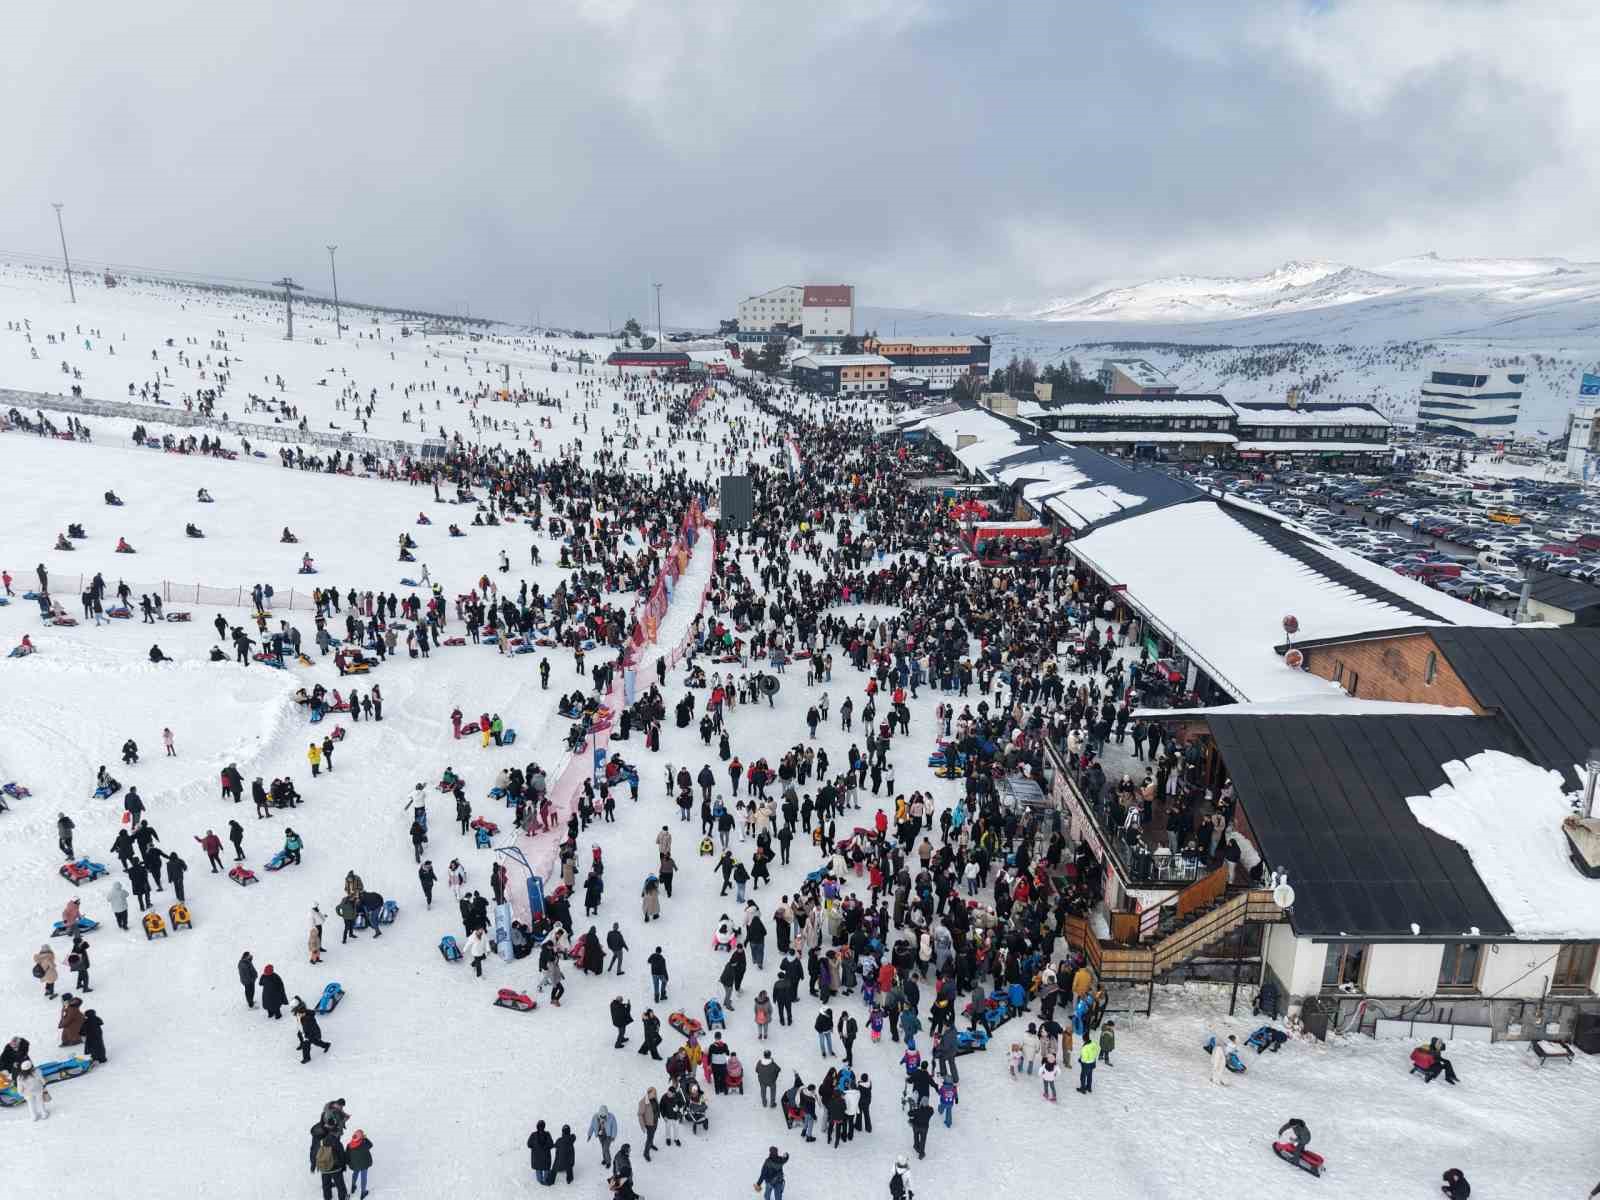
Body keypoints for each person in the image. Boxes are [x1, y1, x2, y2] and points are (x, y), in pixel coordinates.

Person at [314, 1132, 349, 1200]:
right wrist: (343, 1166)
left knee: (326, 1185)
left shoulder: (322, 1142)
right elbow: (342, 1156)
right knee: (340, 1185)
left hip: (324, 1168)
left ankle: (327, 1197)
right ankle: (343, 1197)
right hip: (335, 1168)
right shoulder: (338, 1143)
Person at [346, 1130, 374, 1198]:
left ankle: (353, 1186)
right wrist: (365, 1138)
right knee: (363, 1177)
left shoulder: (349, 1145)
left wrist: (350, 1163)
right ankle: (363, 1192)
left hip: (355, 1164)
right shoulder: (364, 1143)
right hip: (364, 1164)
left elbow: (347, 1155)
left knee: (355, 1173)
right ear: (361, 1137)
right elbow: (371, 1145)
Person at [528, 1120, 555, 1185]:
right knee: (546, 1168)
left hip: (536, 1158)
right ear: (544, 1126)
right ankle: (545, 1179)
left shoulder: (533, 1135)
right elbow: (551, 1145)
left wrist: (535, 1147)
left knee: (538, 1168)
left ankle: (540, 1180)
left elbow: (529, 1144)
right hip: (546, 1157)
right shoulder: (547, 1134)